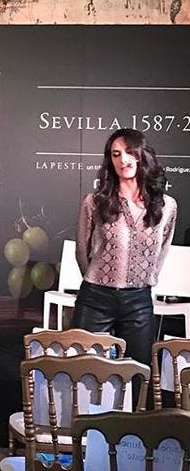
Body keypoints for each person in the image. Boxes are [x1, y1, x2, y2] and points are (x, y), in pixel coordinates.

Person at [72, 128, 177, 367]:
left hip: (139, 301)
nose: (123, 160)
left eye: (130, 152)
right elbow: (81, 250)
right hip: (95, 299)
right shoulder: (95, 202)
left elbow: (163, 249)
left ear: (142, 155)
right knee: (85, 371)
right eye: (116, 154)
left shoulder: (166, 206)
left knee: (138, 373)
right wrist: (97, 280)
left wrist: (144, 278)